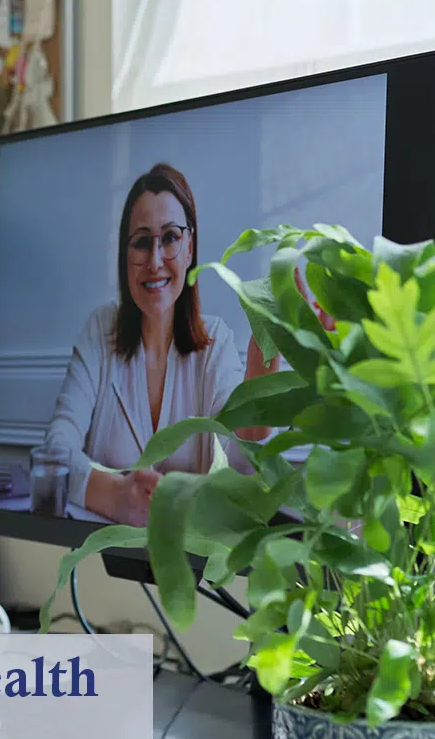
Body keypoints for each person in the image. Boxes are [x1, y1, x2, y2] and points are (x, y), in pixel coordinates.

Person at [42, 163, 268, 526]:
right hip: (99, 561)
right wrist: (116, 495)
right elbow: (56, 449)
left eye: (170, 238)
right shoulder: (101, 331)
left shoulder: (217, 343)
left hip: (187, 563)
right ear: (125, 256)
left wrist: (258, 410)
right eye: (142, 242)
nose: (155, 260)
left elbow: (238, 465)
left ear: (190, 246)